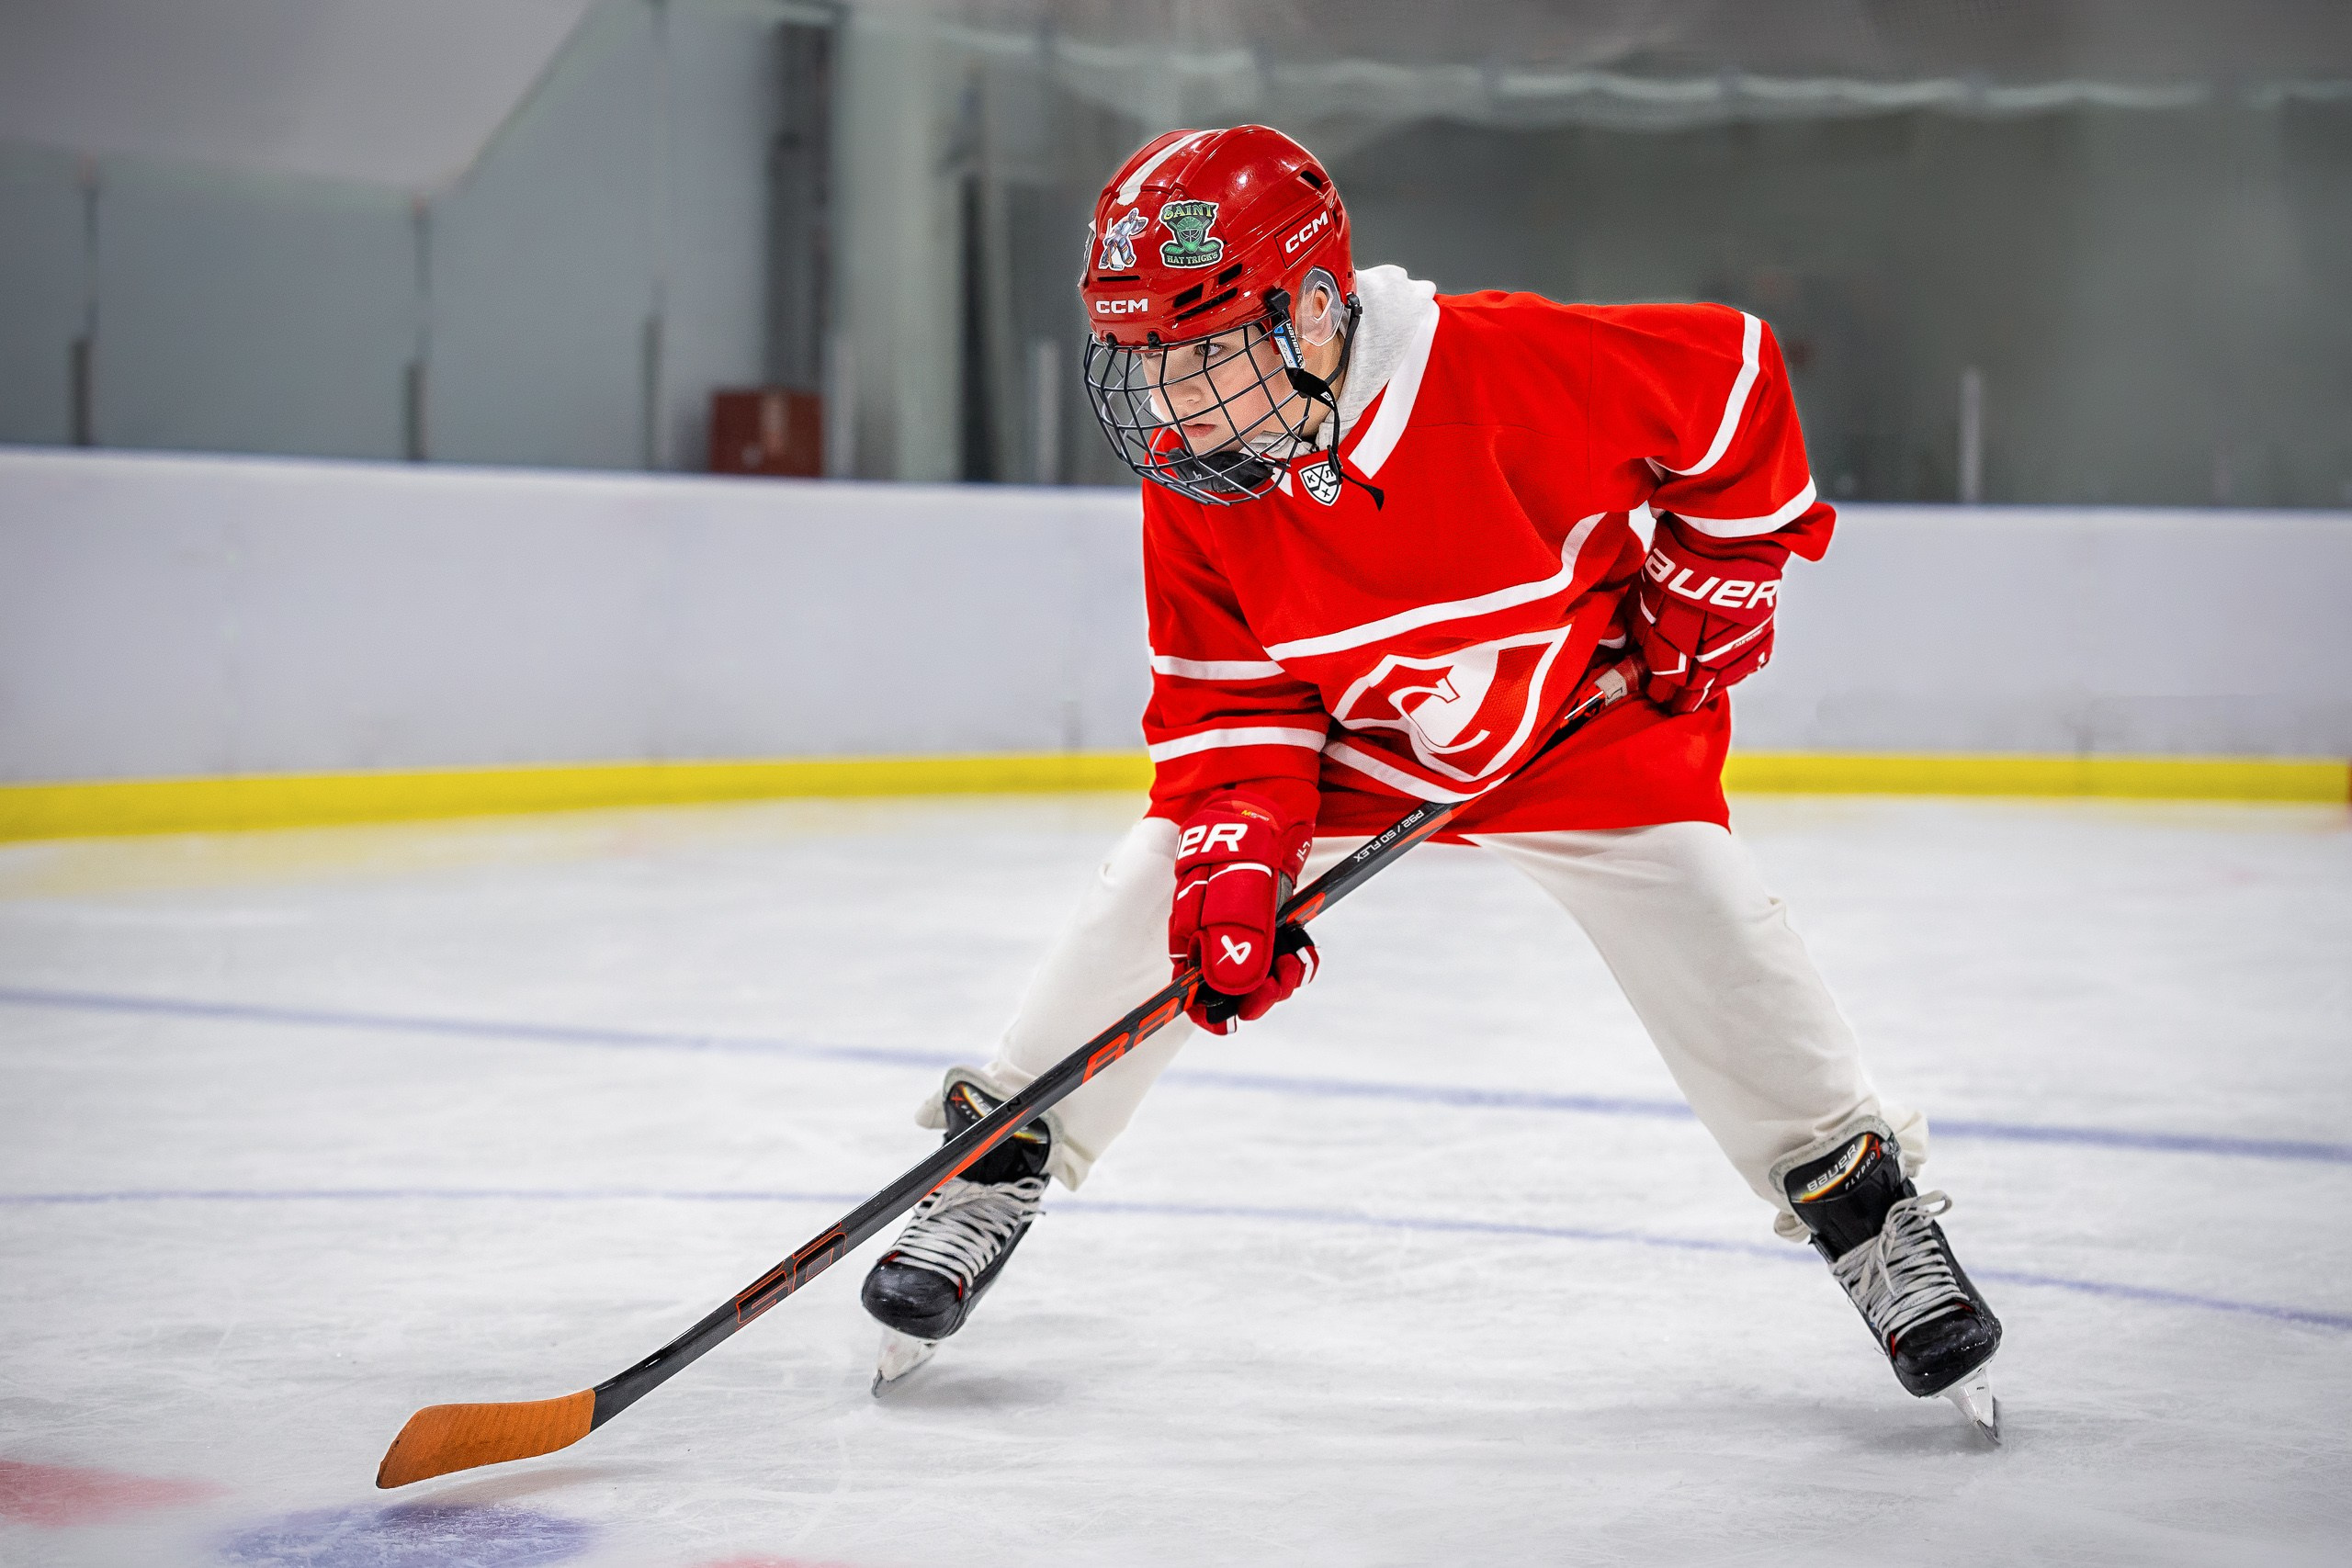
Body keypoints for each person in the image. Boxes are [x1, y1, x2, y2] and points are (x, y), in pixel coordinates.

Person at [858, 124, 2002, 1437]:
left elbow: (1734, 381)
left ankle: (1863, 1207)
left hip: (1581, 725)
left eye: (1206, 355)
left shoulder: (1511, 373)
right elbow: (1235, 707)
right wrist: (1238, 858)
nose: (1171, 405)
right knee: (1154, 887)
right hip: (1351, 748)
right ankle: (997, 1160)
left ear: (1315, 309)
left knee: (1715, 927)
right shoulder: (1206, 478)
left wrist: (1717, 571)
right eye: (1147, 363)